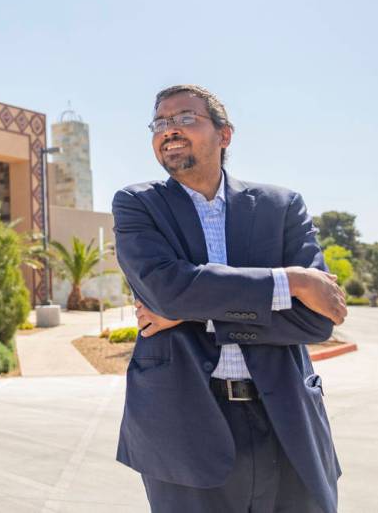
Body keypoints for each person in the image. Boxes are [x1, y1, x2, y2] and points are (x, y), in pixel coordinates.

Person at [112, 85, 346, 513]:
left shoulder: (282, 206)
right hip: (183, 425)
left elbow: (318, 320)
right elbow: (167, 291)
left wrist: (195, 316)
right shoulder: (138, 205)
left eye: (185, 117)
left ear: (225, 135)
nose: (170, 129)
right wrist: (289, 281)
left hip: (287, 421)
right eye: (160, 122)